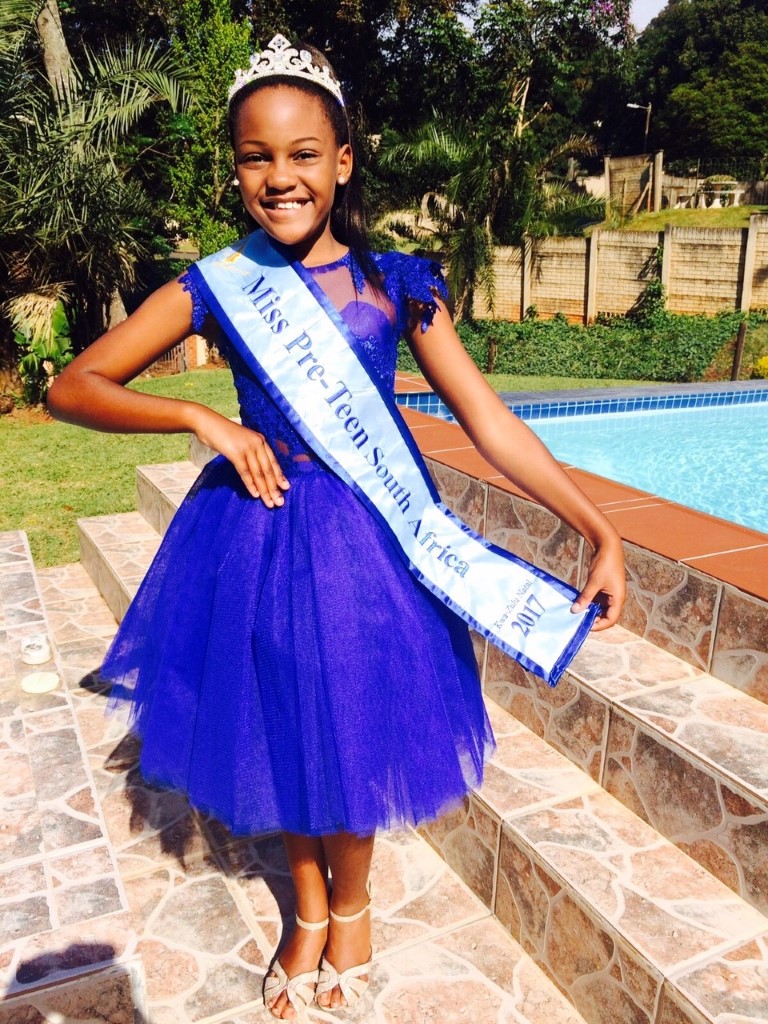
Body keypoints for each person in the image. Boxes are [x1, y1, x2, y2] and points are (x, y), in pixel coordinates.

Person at [47, 35, 626, 1023]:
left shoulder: (396, 282)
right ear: (237, 170)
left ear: (344, 161)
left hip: (365, 549)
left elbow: (487, 420)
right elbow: (74, 385)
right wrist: (199, 418)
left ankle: (349, 909)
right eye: (257, 157)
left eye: (304, 153)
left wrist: (597, 528)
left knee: (349, 726)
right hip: (253, 533)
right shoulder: (215, 286)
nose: (281, 177)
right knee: (283, 723)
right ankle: (307, 909)